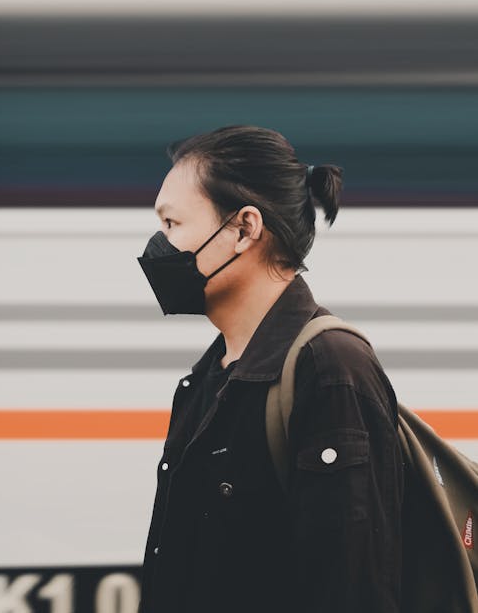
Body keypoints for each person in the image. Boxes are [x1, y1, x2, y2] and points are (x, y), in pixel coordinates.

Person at [136, 124, 404, 613]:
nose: (158, 245)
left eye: (172, 224)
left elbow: (353, 590)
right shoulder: (211, 375)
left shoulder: (330, 369)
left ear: (244, 230)